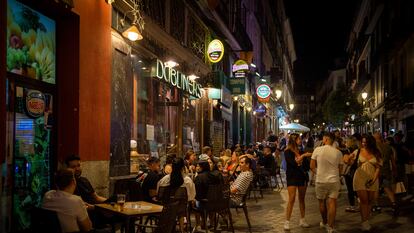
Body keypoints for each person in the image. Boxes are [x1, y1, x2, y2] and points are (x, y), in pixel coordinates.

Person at [348, 134, 382, 231]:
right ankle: (364, 222)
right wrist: (347, 158)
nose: (364, 144)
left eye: (366, 142)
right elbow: (349, 161)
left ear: (371, 143)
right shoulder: (357, 151)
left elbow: (378, 168)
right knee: (364, 201)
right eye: (362, 142)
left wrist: (373, 180)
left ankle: (366, 219)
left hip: (372, 179)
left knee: (370, 201)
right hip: (360, 178)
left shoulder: (376, 152)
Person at [310, 132, 343, 233]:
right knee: (332, 202)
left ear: (326, 139)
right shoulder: (338, 152)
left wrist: (318, 173)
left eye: (323, 138)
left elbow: (312, 166)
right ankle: (330, 226)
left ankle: (324, 222)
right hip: (334, 180)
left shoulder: (317, 150)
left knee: (321, 202)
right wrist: (337, 175)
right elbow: (340, 169)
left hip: (321, 180)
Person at [42, 168, 92, 233]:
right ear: (73, 181)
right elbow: (88, 228)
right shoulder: (76, 201)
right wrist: (84, 210)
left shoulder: (48, 195)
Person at [284, 133, 312, 230]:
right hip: (292, 176)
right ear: (294, 140)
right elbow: (292, 163)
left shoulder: (301, 150)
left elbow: (306, 166)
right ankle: (287, 222)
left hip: (302, 176)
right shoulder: (287, 151)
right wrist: (303, 156)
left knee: (302, 199)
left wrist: (304, 158)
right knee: (291, 199)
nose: (300, 140)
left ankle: (302, 219)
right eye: (299, 139)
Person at [373, 132, 398, 215]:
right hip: (386, 170)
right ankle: (394, 204)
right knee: (387, 188)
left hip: (376, 171)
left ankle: (377, 206)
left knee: (375, 188)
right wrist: (394, 170)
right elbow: (393, 161)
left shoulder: (373, 147)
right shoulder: (388, 147)